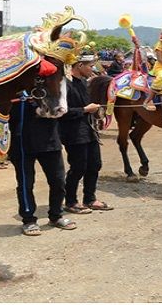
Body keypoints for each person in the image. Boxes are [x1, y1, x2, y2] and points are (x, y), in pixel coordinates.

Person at [9, 96, 76, 235]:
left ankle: (56, 215)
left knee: (58, 181)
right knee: (25, 184)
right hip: (22, 144)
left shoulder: (51, 89)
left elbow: (63, 109)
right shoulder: (17, 91)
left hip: (50, 142)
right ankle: (28, 220)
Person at [60, 53, 113, 214]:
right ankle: (70, 201)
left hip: (89, 130)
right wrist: (84, 110)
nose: (93, 69)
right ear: (79, 66)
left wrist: (96, 111)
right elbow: (61, 112)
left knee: (95, 164)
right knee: (78, 167)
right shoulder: (65, 84)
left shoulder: (84, 83)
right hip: (73, 132)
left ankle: (90, 198)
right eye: (90, 66)